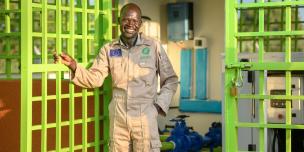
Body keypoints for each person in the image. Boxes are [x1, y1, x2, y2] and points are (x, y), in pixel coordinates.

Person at [54, 3, 178, 152]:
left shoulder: (153, 47)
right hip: (118, 115)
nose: (130, 24)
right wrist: (74, 66)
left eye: (135, 20)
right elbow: (96, 78)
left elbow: (170, 79)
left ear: (140, 24)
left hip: (145, 115)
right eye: (126, 19)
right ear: (119, 20)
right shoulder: (109, 49)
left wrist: (158, 106)